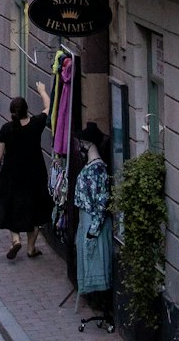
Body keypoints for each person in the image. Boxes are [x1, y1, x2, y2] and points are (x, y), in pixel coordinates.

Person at [0, 80, 53, 259]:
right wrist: (42, 90)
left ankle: (16, 240)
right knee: (35, 209)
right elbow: (48, 107)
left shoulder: (7, 129)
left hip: (12, 174)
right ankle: (31, 248)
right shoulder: (36, 124)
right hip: (35, 173)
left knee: (12, 206)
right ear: (26, 110)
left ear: (11, 112)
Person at [73, 122, 113, 319]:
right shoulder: (92, 167)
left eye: (81, 143)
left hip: (92, 222)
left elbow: (101, 202)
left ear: (88, 144)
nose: (79, 146)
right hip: (85, 220)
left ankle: (103, 308)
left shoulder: (98, 170)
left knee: (95, 262)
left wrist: (93, 230)